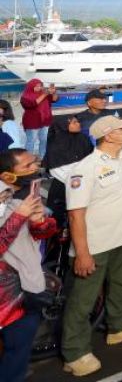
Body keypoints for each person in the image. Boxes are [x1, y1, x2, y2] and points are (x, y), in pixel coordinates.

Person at [60, 114, 122, 377]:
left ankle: (120, 327)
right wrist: (82, 254)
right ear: (109, 135)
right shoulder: (84, 169)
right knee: (82, 301)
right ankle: (75, 352)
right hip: (95, 245)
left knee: (121, 286)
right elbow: (76, 215)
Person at [0, 149, 59, 382]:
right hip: (8, 294)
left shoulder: (28, 194)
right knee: (16, 347)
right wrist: (19, 215)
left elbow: (41, 234)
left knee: (19, 346)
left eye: (34, 163)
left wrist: (39, 221)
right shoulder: (5, 200)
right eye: (27, 166)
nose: (34, 168)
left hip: (27, 283)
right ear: (7, 176)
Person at [19, 78, 55, 157]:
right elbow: (33, 104)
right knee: (31, 141)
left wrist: (53, 92)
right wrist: (45, 94)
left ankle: (43, 157)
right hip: (32, 122)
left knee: (44, 140)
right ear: (30, 86)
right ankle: (29, 158)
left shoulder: (43, 94)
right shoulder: (25, 97)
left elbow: (54, 99)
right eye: (36, 86)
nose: (39, 88)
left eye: (40, 86)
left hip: (44, 121)